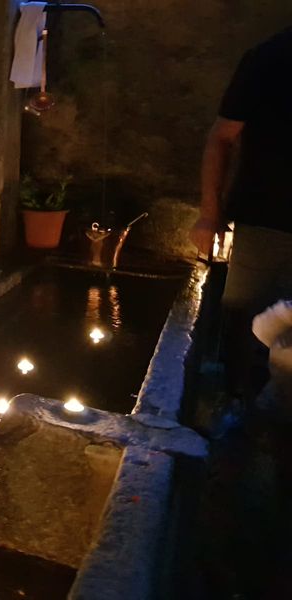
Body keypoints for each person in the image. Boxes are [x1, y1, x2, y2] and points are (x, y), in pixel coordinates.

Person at [190, 26, 292, 403]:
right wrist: (209, 215)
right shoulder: (271, 58)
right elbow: (222, 137)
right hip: (266, 220)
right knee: (244, 330)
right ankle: (237, 407)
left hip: (264, 218)